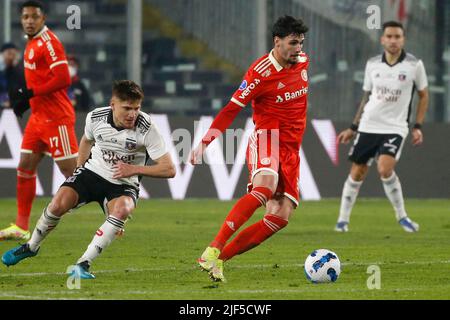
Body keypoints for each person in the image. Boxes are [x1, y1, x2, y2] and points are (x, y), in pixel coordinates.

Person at [2, 80, 176, 279]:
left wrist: (133, 169)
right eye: (127, 108)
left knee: (123, 209)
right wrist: (78, 171)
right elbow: (86, 141)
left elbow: (169, 169)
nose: (132, 114)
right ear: (113, 104)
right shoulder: (96, 117)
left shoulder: (146, 128)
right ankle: (31, 246)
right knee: (58, 203)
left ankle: (83, 264)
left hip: (123, 183)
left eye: (136, 108)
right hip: (92, 173)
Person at [190, 16, 309, 282]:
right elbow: (231, 109)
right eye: (293, 43)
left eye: (301, 42)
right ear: (277, 42)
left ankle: (220, 260)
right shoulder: (260, 72)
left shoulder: (302, 61)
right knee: (265, 187)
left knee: (280, 216)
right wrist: (205, 143)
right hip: (268, 137)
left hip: (291, 148)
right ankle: (213, 248)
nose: (298, 48)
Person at [334, 21, 429, 233]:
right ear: (382, 39)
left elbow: (424, 95)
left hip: (396, 126)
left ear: (403, 39)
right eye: (389, 36)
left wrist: (418, 125)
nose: (393, 40)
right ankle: (342, 221)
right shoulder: (372, 64)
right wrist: (353, 127)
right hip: (369, 124)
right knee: (358, 171)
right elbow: (366, 97)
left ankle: (402, 217)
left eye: (397, 36)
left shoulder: (415, 65)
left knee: (385, 168)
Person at [0, 1, 78, 241]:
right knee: (25, 166)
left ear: (43, 18)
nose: (30, 20)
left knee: (75, 175)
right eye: (25, 17)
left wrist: (31, 93)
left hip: (57, 119)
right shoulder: (30, 42)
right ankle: (22, 226)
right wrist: (26, 97)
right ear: (21, 19)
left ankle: (114, 209)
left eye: (35, 16)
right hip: (38, 118)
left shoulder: (49, 42)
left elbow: (63, 78)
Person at [0, 42, 26, 109]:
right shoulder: (2, 72)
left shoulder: (21, 72)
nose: (11, 57)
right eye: (9, 54)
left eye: (14, 54)